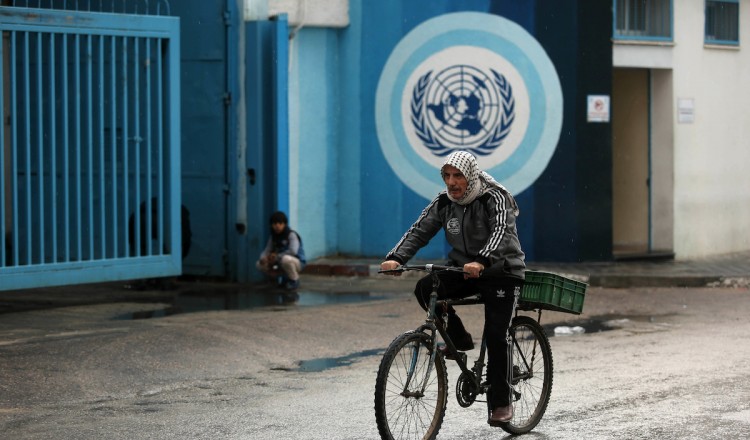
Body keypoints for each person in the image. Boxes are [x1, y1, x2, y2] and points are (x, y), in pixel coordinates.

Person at [380, 151, 525, 426]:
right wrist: (397, 257)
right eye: (446, 176)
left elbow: (502, 233)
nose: (451, 182)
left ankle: (501, 402)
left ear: (470, 175)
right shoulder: (445, 202)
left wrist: (482, 261)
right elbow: (420, 230)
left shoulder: (494, 197)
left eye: (457, 175)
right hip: (464, 269)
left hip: (502, 271)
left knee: (496, 335)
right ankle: (458, 339)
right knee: (425, 289)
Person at [256, 211, 306, 290]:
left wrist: (277, 256)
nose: (277, 226)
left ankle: (294, 280)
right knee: (259, 264)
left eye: (280, 223)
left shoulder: (291, 235)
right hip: (280, 262)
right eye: (274, 224)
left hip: (297, 262)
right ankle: (278, 279)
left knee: (285, 259)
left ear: (285, 224)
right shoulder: (273, 237)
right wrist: (263, 258)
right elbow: (267, 250)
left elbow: (293, 251)